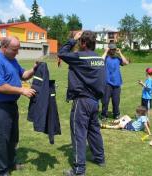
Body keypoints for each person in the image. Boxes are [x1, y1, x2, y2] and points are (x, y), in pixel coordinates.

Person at [0, 36, 37, 176]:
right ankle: (1, 171)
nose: (17, 52)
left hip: (11, 105)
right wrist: (22, 90)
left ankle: (11, 163)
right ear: (4, 47)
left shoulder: (12, 60)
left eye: (18, 49)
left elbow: (24, 75)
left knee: (13, 137)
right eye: (15, 49)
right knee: (1, 139)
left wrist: (33, 69)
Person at [58, 31, 105, 176]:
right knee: (94, 131)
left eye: (80, 42)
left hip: (82, 101)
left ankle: (79, 169)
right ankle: (100, 158)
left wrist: (72, 39)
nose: (78, 44)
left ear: (83, 43)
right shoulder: (99, 59)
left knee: (79, 134)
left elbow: (62, 53)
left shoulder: (80, 57)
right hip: (94, 101)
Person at [101, 43, 129, 120]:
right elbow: (100, 61)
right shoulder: (106, 58)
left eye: (114, 49)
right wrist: (105, 52)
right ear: (109, 49)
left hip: (117, 83)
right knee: (105, 101)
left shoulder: (117, 58)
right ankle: (104, 115)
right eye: (112, 49)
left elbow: (126, 63)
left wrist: (120, 53)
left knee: (116, 101)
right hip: (107, 83)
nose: (113, 51)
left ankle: (116, 114)